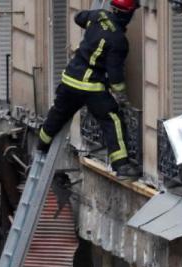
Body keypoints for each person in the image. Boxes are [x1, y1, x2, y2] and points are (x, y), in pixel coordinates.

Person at [37, 0, 141, 181]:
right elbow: (115, 76)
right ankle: (121, 165)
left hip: (69, 80)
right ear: (127, 14)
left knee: (57, 113)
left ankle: (41, 145)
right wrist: (122, 97)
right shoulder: (118, 40)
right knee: (112, 120)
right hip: (91, 87)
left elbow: (79, 17)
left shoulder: (98, 16)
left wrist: (92, 27)